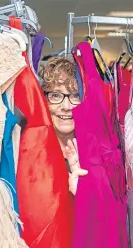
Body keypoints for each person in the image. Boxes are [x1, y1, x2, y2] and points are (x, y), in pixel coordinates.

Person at [39, 56, 88, 195]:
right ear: (44, 100)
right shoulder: (32, 151)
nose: (66, 106)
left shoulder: (97, 155)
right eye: (55, 95)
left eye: (75, 96)